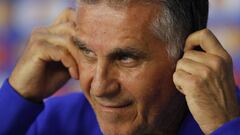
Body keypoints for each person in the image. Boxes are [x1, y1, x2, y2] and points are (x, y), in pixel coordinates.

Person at [0, 0, 239, 135]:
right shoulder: (54, 122)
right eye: (88, 52)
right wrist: (16, 97)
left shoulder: (226, 121)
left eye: (126, 58)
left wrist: (225, 128)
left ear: (191, 53)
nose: (100, 87)